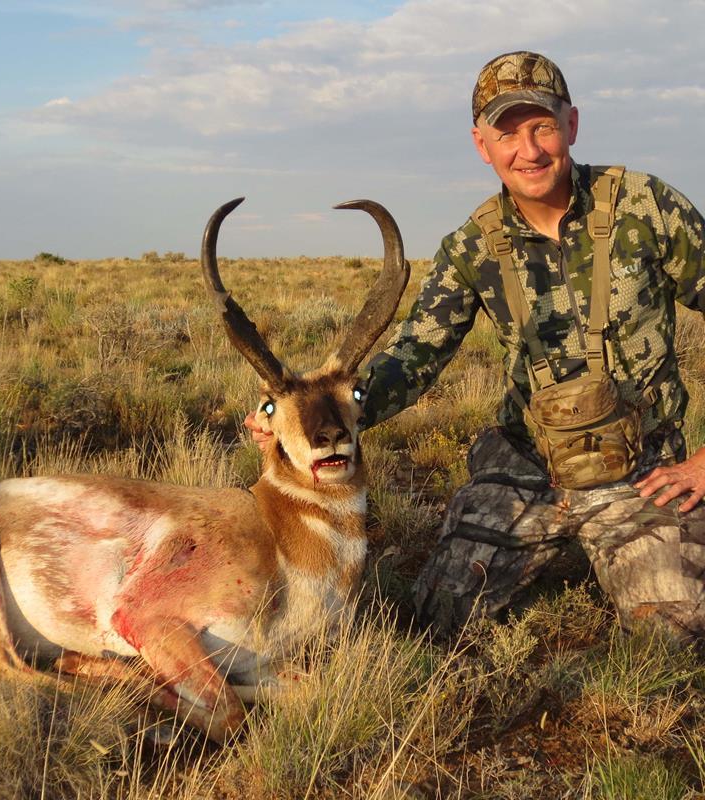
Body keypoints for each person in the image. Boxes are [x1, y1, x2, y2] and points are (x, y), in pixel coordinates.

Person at [247, 51, 705, 640]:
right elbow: (414, 357)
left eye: (542, 126)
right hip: (526, 467)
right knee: (437, 620)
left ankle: (628, 550)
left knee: (676, 629)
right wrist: (311, 412)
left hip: (642, 467)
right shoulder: (471, 247)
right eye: (506, 133)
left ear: (571, 124)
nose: (528, 150)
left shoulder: (646, 208)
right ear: (481, 144)